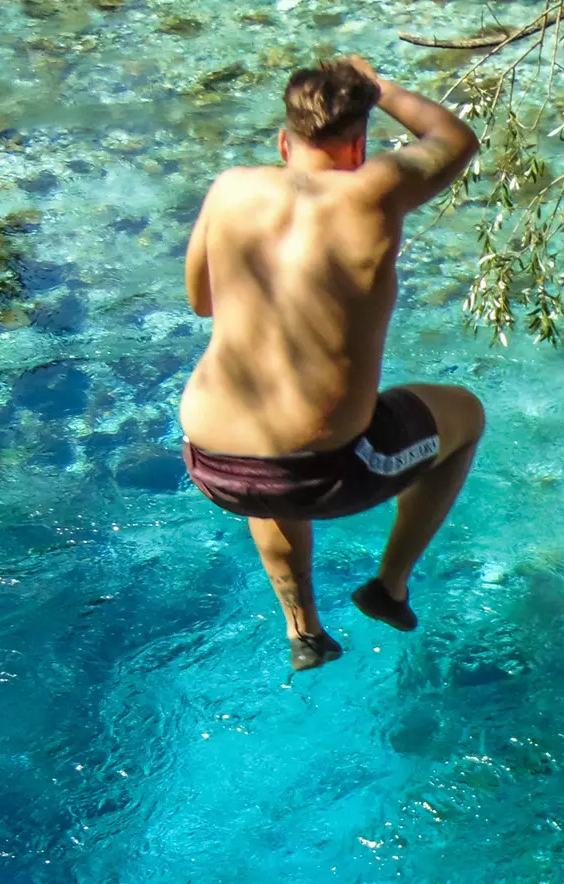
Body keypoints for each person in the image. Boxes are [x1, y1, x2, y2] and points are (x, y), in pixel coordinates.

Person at [179, 56, 485, 671]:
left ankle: (304, 633)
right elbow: (455, 139)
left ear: (283, 142)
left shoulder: (232, 187)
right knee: (467, 417)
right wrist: (381, 86)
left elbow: (201, 301)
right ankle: (389, 586)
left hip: (212, 462)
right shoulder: (376, 189)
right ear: (360, 146)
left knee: (267, 474)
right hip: (329, 471)